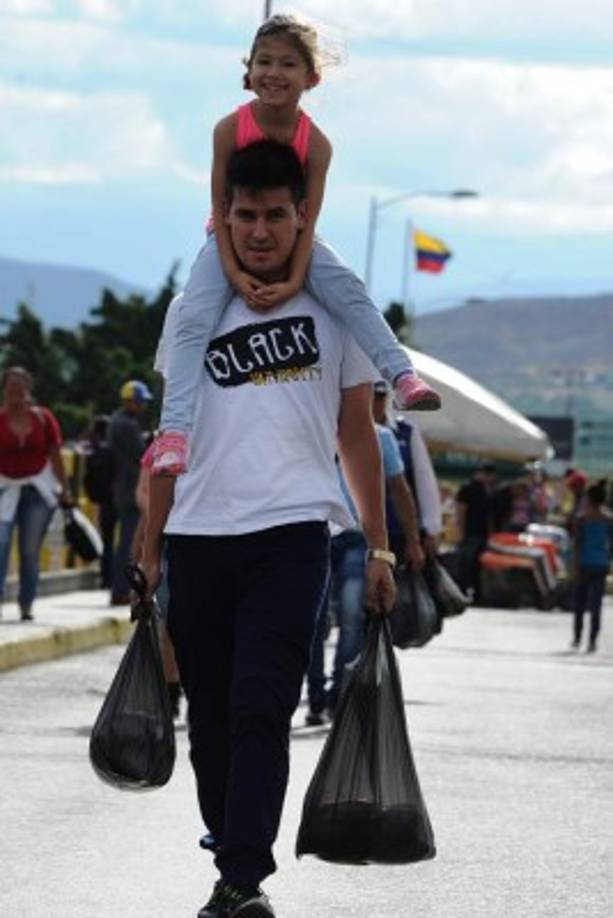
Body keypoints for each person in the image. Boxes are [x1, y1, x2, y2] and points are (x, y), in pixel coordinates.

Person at [142, 140, 397, 918]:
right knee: (210, 718)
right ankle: (230, 850)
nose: (259, 230)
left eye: (275, 216)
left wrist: (379, 544)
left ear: (300, 217)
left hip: (292, 535)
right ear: (222, 218)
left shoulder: (333, 307)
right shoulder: (192, 308)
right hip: (198, 533)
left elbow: (358, 435)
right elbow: (166, 430)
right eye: (244, 215)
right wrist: (146, 546)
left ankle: (242, 877)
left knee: (262, 703)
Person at [153, 14, 440, 477]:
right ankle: (174, 434)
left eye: (288, 64)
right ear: (248, 73)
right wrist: (233, 271)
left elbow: (308, 223)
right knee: (193, 319)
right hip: (228, 236)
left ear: (311, 77)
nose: (274, 73)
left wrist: (291, 282)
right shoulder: (228, 130)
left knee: (349, 290)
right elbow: (219, 205)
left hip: (296, 238)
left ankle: (401, 374)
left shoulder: (317, 146)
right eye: (264, 61)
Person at [306, 421, 423, 724]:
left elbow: (399, 488)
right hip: (315, 533)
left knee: (351, 617)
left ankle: (337, 694)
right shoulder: (314, 423)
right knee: (313, 622)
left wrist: (411, 540)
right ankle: (315, 697)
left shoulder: (381, 436)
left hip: (356, 536)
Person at [0, 366, 71, 621]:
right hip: (5, 490)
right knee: (1, 545)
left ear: (28, 389)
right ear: (4, 389)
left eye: (20, 386)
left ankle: (26, 602)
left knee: (29, 550)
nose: (16, 391)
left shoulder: (43, 418)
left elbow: (55, 455)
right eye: (11, 386)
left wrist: (65, 489)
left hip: (37, 491)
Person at [371, 380, 443, 560]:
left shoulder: (405, 432)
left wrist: (431, 527)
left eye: (381, 397)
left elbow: (423, 478)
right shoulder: (346, 430)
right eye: (372, 397)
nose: (376, 402)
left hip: (398, 527)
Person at [107, 380, 152, 605]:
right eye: (140, 401)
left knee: (125, 541)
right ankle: (121, 589)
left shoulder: (118, 420)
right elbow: (143, 456)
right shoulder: (126, 424)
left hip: (121, 488)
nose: (143, 406)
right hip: (130, 490)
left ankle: (120, 587)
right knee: (128, 542)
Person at [571, 483, 612, 653]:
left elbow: (577, 544)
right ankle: (592, 640)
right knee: (596, 605)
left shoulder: (582, 519)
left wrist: (574, 565)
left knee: (580, 603)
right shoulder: (608, 519)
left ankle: (577, 637)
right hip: (600, 564)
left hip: (584, 564)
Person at [82, 414, 117, 589]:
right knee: (124, 539)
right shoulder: (115, 448)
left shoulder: (94, 451)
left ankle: (106, 578)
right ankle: (116, 578)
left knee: (107, 540)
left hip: (103, 500)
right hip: (119, 498)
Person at [456, 463, 497, 603]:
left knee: (477, 565)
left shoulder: (486, 490)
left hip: (481, 533)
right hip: (470, 532)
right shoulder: (468, 488)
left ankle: (476, 594)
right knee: (466, 564)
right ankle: (463, 591)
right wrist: (461, 532)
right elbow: (461, 511)